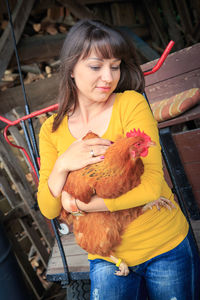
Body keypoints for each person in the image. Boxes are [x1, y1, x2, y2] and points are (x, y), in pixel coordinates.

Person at [37, 19, 200, 300]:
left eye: (115, 66)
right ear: (72, 69)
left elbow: (150, 187)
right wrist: (64, 162)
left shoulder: (130, 104)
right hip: (107, 255)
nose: (109, 77)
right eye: (96, 66)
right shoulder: (51, 129)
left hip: (163, 245)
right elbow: (49, 208)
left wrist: (77, 204)